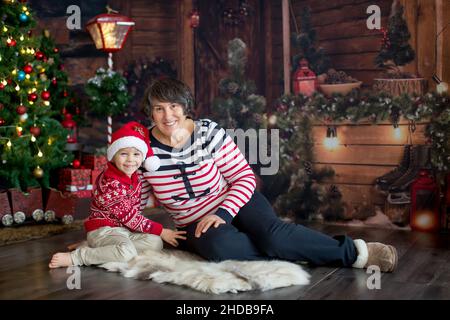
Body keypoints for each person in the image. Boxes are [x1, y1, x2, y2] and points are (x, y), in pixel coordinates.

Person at [139, 77, 398, 272]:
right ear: (150, 112)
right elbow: (132, 199)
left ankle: (355, 253)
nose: (167, 115)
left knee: (274, 236)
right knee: (220, 248)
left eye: (173, 106)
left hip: (236, 201)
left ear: (185, 107)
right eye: (159, 108)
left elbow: (244, 178)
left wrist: (222, 213)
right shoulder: (141, 148)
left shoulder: (208, 132)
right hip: (195, 223)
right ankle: (290, 250)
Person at [48, 121, 186, 268]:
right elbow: (130, 217)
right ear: (113, 156)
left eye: (136, 154)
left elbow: (133, 214)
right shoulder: (110, 183)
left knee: (155, 242)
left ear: (143, 157)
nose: (130, 159)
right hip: (104, 230)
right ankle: (78, 257)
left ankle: (105, 250)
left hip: (123, 230)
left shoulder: (134, 178)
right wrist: (162, 230)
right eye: (124, 154)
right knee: (127, 251)